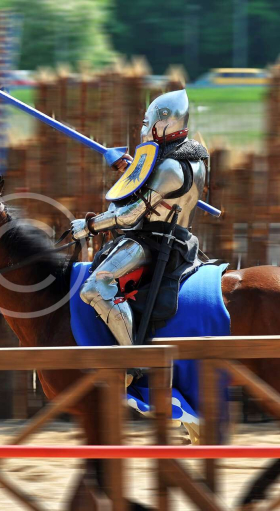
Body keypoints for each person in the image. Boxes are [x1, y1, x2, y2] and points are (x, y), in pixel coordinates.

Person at [70, 89, 208, 347]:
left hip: (153, 241)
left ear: (163, 121)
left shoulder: (170, 167)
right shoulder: (191, 156)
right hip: (172, 235)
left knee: (94, 288)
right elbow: (150, 185)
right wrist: (133, 168)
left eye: (147, 122)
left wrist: (88, 225)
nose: (144, 128)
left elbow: (128, 216)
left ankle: (131, 358)